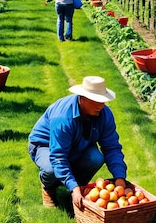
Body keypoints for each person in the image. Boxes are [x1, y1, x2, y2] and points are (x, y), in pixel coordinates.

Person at [28, 76, 128, 210]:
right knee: (51, 168)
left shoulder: (104, 114)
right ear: (83, 98)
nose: (101, 105)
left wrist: (120, 177)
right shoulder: (63, 118)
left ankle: (79, 188)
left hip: (77, 144)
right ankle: (49, 188)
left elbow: (112, 148)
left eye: (103, 101)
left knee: (96, 158)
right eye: (97, 101)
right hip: (46, 146)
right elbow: (58, 156)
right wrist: (72, 187)